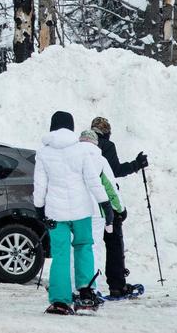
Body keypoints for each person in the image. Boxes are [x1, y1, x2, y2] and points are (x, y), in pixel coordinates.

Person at [33, 111, 114, 315]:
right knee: (84, 247)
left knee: (60, 254)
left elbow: (40, 185)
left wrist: (39, 209)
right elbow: (93, 180)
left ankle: (60, 302)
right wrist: (106, 204)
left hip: (55, 212)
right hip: (81, 211)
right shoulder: (81, 150)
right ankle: (86, 295)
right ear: (71, 127)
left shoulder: (43, 153)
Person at [91, 116, 148, 299]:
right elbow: (113, 172)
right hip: (107, 204)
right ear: (107, 132)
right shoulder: (107, 146)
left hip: (86, 204)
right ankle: (117, 286)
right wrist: (136, 164)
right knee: (114, 244)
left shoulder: (81, 146)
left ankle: (86, 285)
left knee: (88, 246)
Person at [78, 129, 123, 294]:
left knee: (75, 247)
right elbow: (110, 188)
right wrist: (119, 209)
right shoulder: (100, 159)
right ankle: (91, 287)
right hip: (96, 212)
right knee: (92, 248)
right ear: (95, 143)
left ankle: (73, 285)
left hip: (75, 211)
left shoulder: (72, 157)